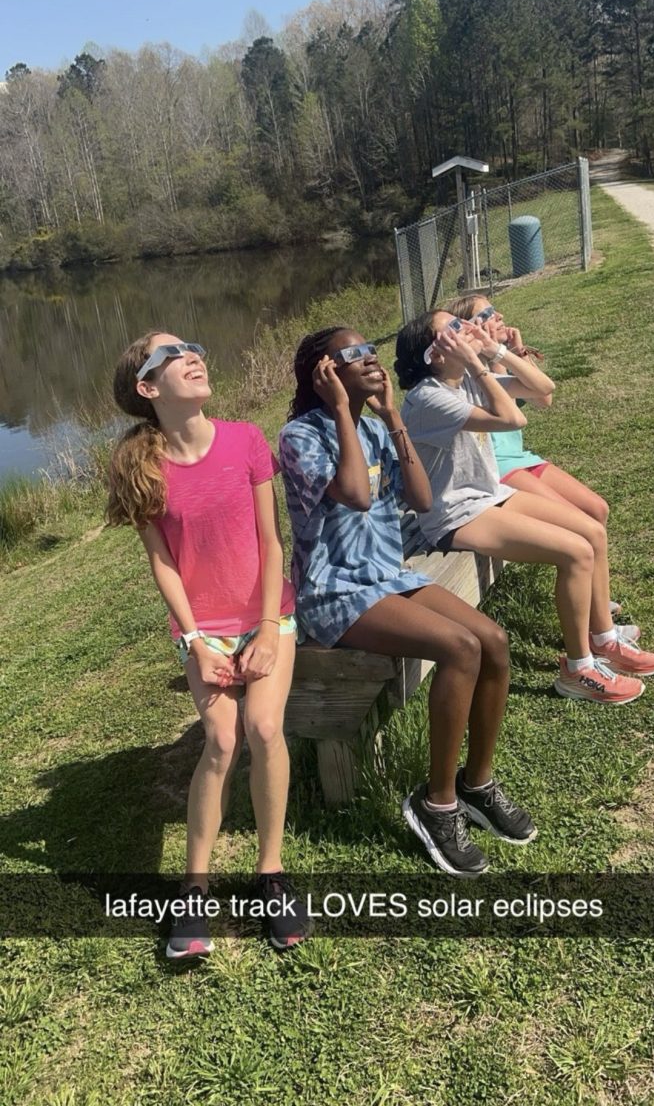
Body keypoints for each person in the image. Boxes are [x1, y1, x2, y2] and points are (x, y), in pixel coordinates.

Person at [278, 326, 537, 880]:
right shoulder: (300, 435)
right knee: (460, 647)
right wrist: (343, 412)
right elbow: (355, 493)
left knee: (492, 640)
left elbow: (419, 499)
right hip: (335, 591)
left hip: (387, 576)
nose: (373, 361)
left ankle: (476, 784)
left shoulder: (375, 427)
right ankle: (436, 806)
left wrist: (391, 418)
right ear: (324, 371)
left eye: (374, 352)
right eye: (356, 356)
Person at [107, 331, 310, 958]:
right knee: (221, 740)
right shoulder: (139, 467)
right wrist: (195, 641)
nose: (192, 354)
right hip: (202, 633)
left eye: (194, 345)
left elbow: (272, 542)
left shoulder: (246, 439)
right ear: (148, 388)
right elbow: (162, 564)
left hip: (267, 617)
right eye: (171, 355)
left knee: (265, 728)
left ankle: (269, 876)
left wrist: (273, 628)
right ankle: (193, 892)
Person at [395, 311, 654, 705]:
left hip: (487, 496)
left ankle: (604, 639)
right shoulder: (428, 399)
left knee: (591, 530)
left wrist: (496, 349)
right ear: (435, 354)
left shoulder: (465, 380)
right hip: (455, 515)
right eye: (453, 328)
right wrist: (477, 363)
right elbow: (513, 417)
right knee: (574, 551)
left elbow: (541, 387)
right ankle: (578, 670)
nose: (465, 327)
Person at [450, 293, 639, 639]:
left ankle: (598, 602)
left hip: (523, 458)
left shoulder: (493, 364)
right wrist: (493, 353)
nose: (499, 315)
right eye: (488, 313)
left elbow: (545, 397)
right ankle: (601, 628)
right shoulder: (468, 375)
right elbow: (515, 413)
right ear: (470, 327)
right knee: (583, 527)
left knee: (598, 509)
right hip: (502, 468)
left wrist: (513, 349)